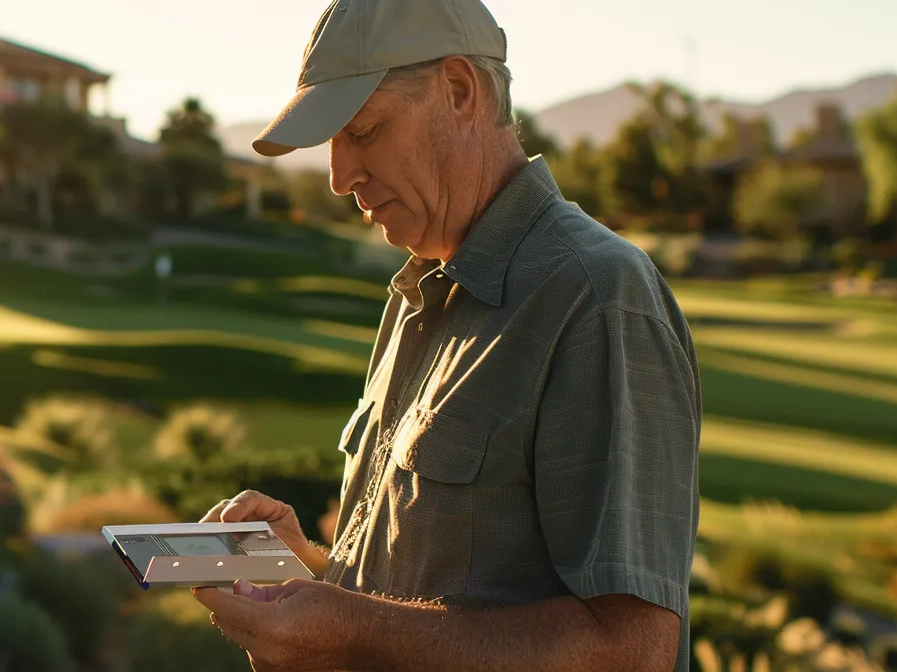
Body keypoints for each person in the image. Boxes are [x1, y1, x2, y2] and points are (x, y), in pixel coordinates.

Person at [190, 0, 703, 670]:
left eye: (364, 131)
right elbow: (428, 592)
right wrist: (310, 571)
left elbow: (632, 652)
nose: (341, 177)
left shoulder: (598, 295)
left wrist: (350, 627)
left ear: (459, 91)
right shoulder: (420, 292)